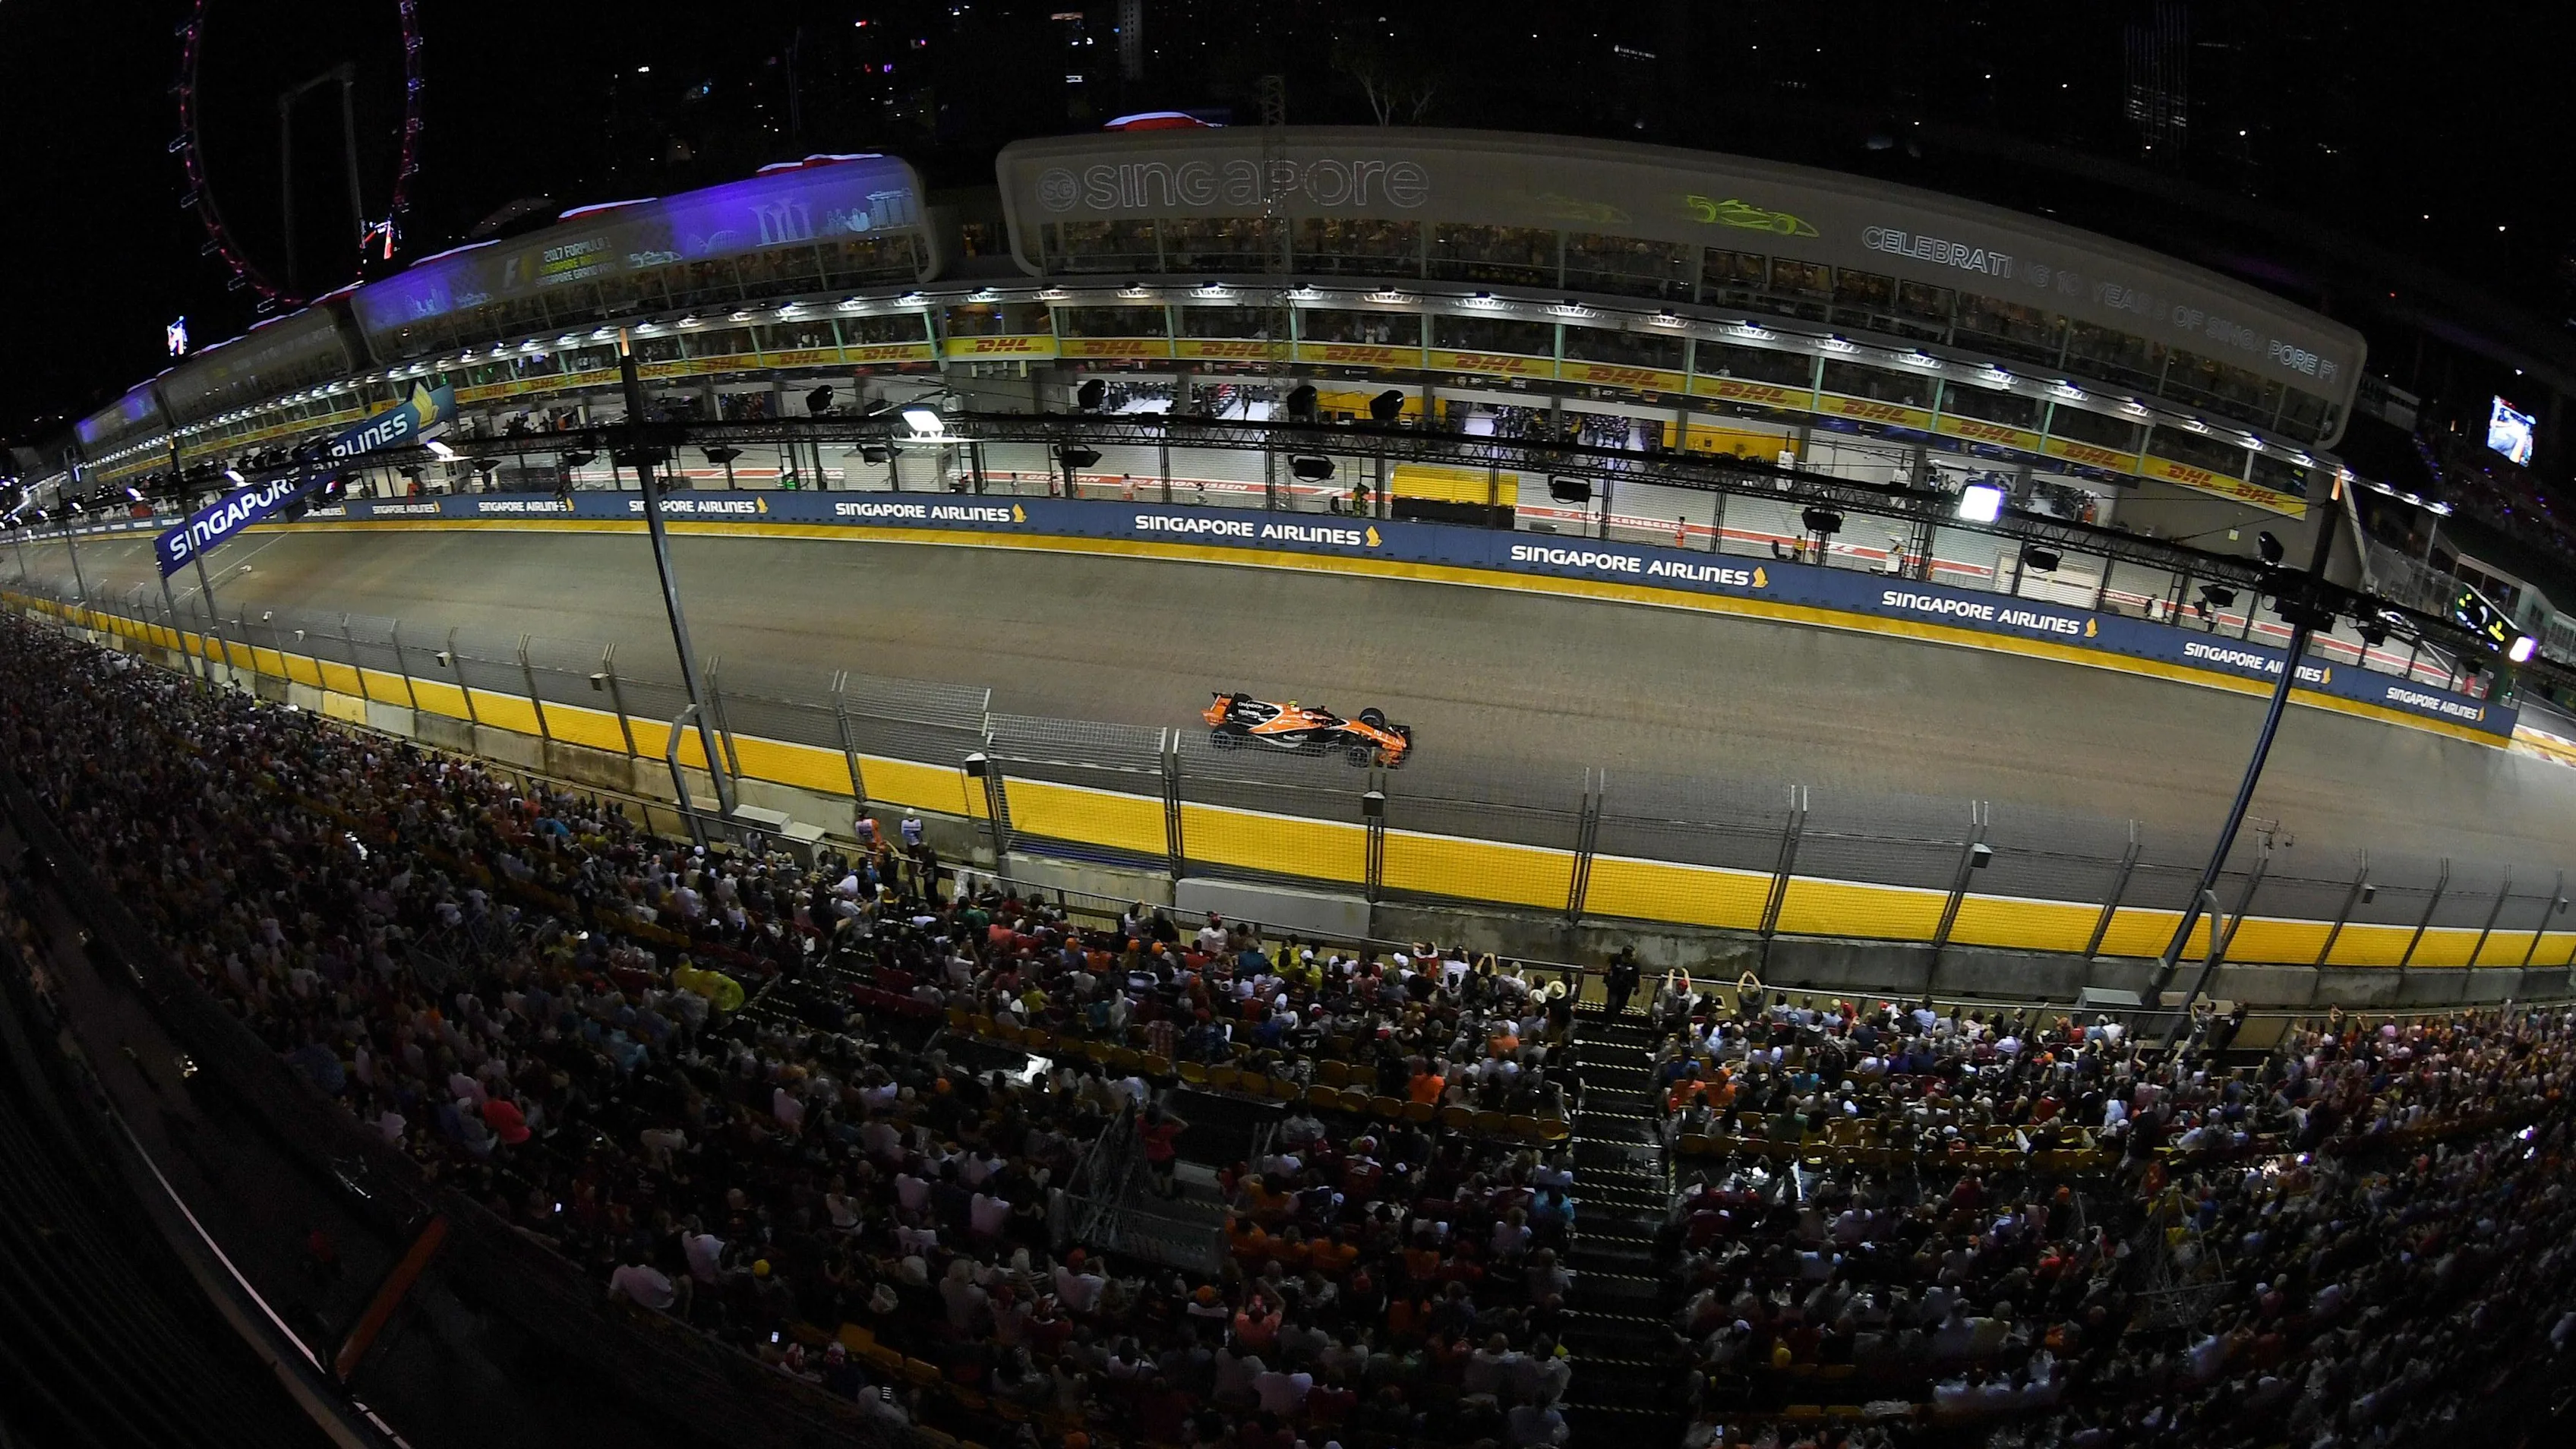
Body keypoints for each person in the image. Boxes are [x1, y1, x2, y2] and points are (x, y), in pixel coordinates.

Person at [1139, 1102, 1188, 1198]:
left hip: (1151, 1154)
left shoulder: (1142, 1124)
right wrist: (1169, 1116)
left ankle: (1158, 1191)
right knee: (1167, 1176)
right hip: (1166, 1156)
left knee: (1155, 1172)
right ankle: (1168, 1194)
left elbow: (1138, 1116)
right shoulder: (1165, 1130)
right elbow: (1185, 1125)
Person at [1602, 946, 1640, 1018]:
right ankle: (1607, 1020)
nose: (1634, 957)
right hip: (1614, 986)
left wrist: (1637, 987)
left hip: (1626, 988)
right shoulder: (1616, 959)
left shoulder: (1635, 964)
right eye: (1633, 955)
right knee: (1611, 1005)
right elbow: (1608, 963)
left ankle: (1615, 1017)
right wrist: (1607, 974)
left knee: (1620, 1005)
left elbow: (1637, 976)